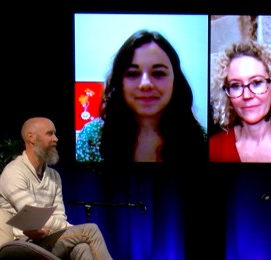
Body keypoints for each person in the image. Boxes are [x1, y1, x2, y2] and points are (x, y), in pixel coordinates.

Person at [0, 117, 166, 260]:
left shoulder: (54, 176)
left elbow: (56, 219)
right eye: (50, 133)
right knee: (90, 230)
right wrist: (47, 223)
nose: (56, 138)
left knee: (85, 247)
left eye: (55, 133)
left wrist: (48, 223)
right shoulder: (14, 172)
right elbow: (33, 216)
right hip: (23, 246)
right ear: (31, 137)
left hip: (47, 240)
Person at [76, 29, 207, 163]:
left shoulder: (201, 139)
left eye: (158, 73)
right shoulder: (92, 137)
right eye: (133, 74)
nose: (145, 84)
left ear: (175, 81)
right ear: (119, 82)